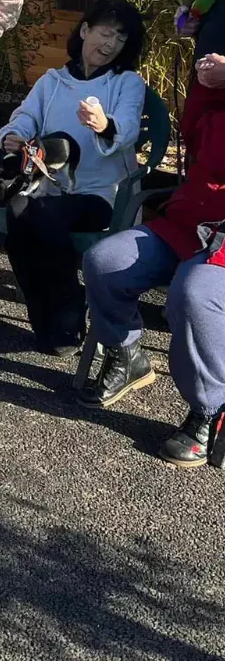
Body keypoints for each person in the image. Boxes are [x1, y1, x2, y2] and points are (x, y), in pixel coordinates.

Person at [77, 61, 225, 467]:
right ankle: (127, 354)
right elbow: (194, 133)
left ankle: (211, 408)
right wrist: (208, 83)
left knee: (195, 295)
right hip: (191, 219)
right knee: (104, 262)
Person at [0, 0, 146, 355]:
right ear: (84, 31)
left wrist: (104, 124)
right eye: (105, 33)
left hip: (103, 194)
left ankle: (63, 312)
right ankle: (48, 313)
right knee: (17, 210)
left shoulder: (128, 83)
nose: (110, 45)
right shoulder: (52, 81)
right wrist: (13, 136)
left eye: (120, 39)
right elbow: (24, 117)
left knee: (40, 216)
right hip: (51, 187)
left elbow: (124, 130)